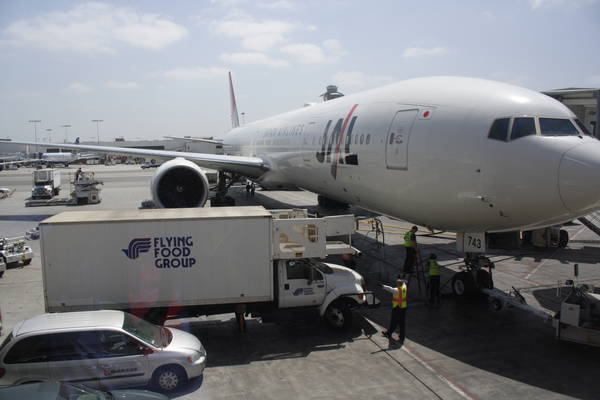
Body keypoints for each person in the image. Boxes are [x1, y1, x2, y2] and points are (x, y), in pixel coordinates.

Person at [381, 279, 408, 344]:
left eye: (397, 283)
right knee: (401, 323)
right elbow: (405, 282)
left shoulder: (397, 290)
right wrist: (403, 281)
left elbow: (390, 289)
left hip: (397, 308)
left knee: (394, 321)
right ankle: (399, 336)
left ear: (399, 284)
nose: (396, 284)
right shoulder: (404, 287)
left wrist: (383, 286)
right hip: (403, 307)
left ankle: (390, 333)